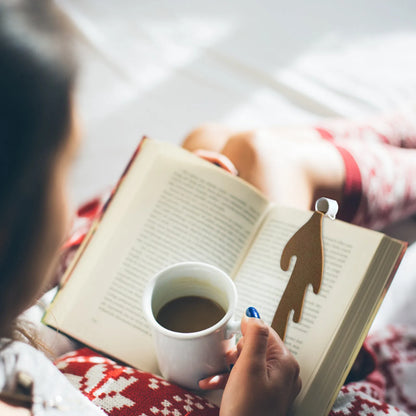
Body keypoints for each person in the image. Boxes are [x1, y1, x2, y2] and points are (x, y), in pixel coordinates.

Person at [0, 1, 300, 415]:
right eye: (65, 169)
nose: (69, 203)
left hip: (67, 331)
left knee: (209, 143)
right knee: (262, 155)